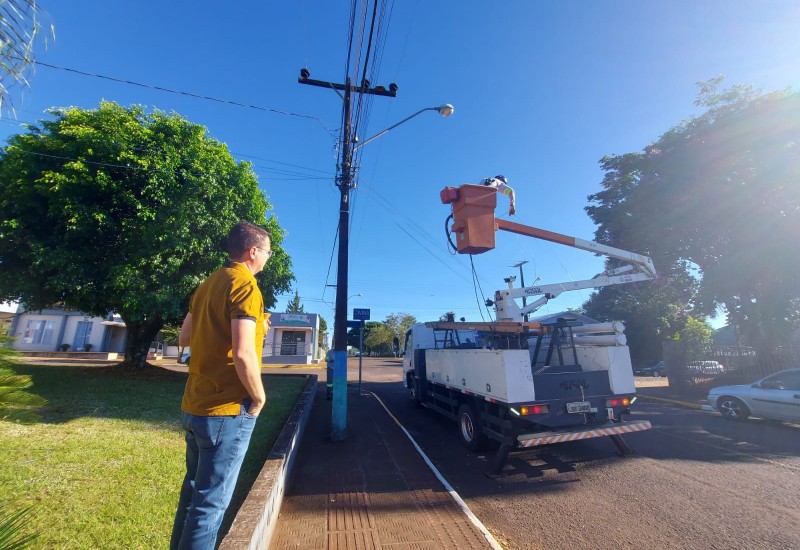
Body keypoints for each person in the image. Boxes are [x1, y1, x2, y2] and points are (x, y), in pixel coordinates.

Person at [170, 221, 272, 550]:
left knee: (192, 498)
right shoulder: (245, 285)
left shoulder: (207, 284)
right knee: (210, 506)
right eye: (267, 252)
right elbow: (243, 354)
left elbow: (184, 337)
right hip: (226, 411)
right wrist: (258, 398)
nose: (268, 259)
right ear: (252, 251)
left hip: (194, 406)